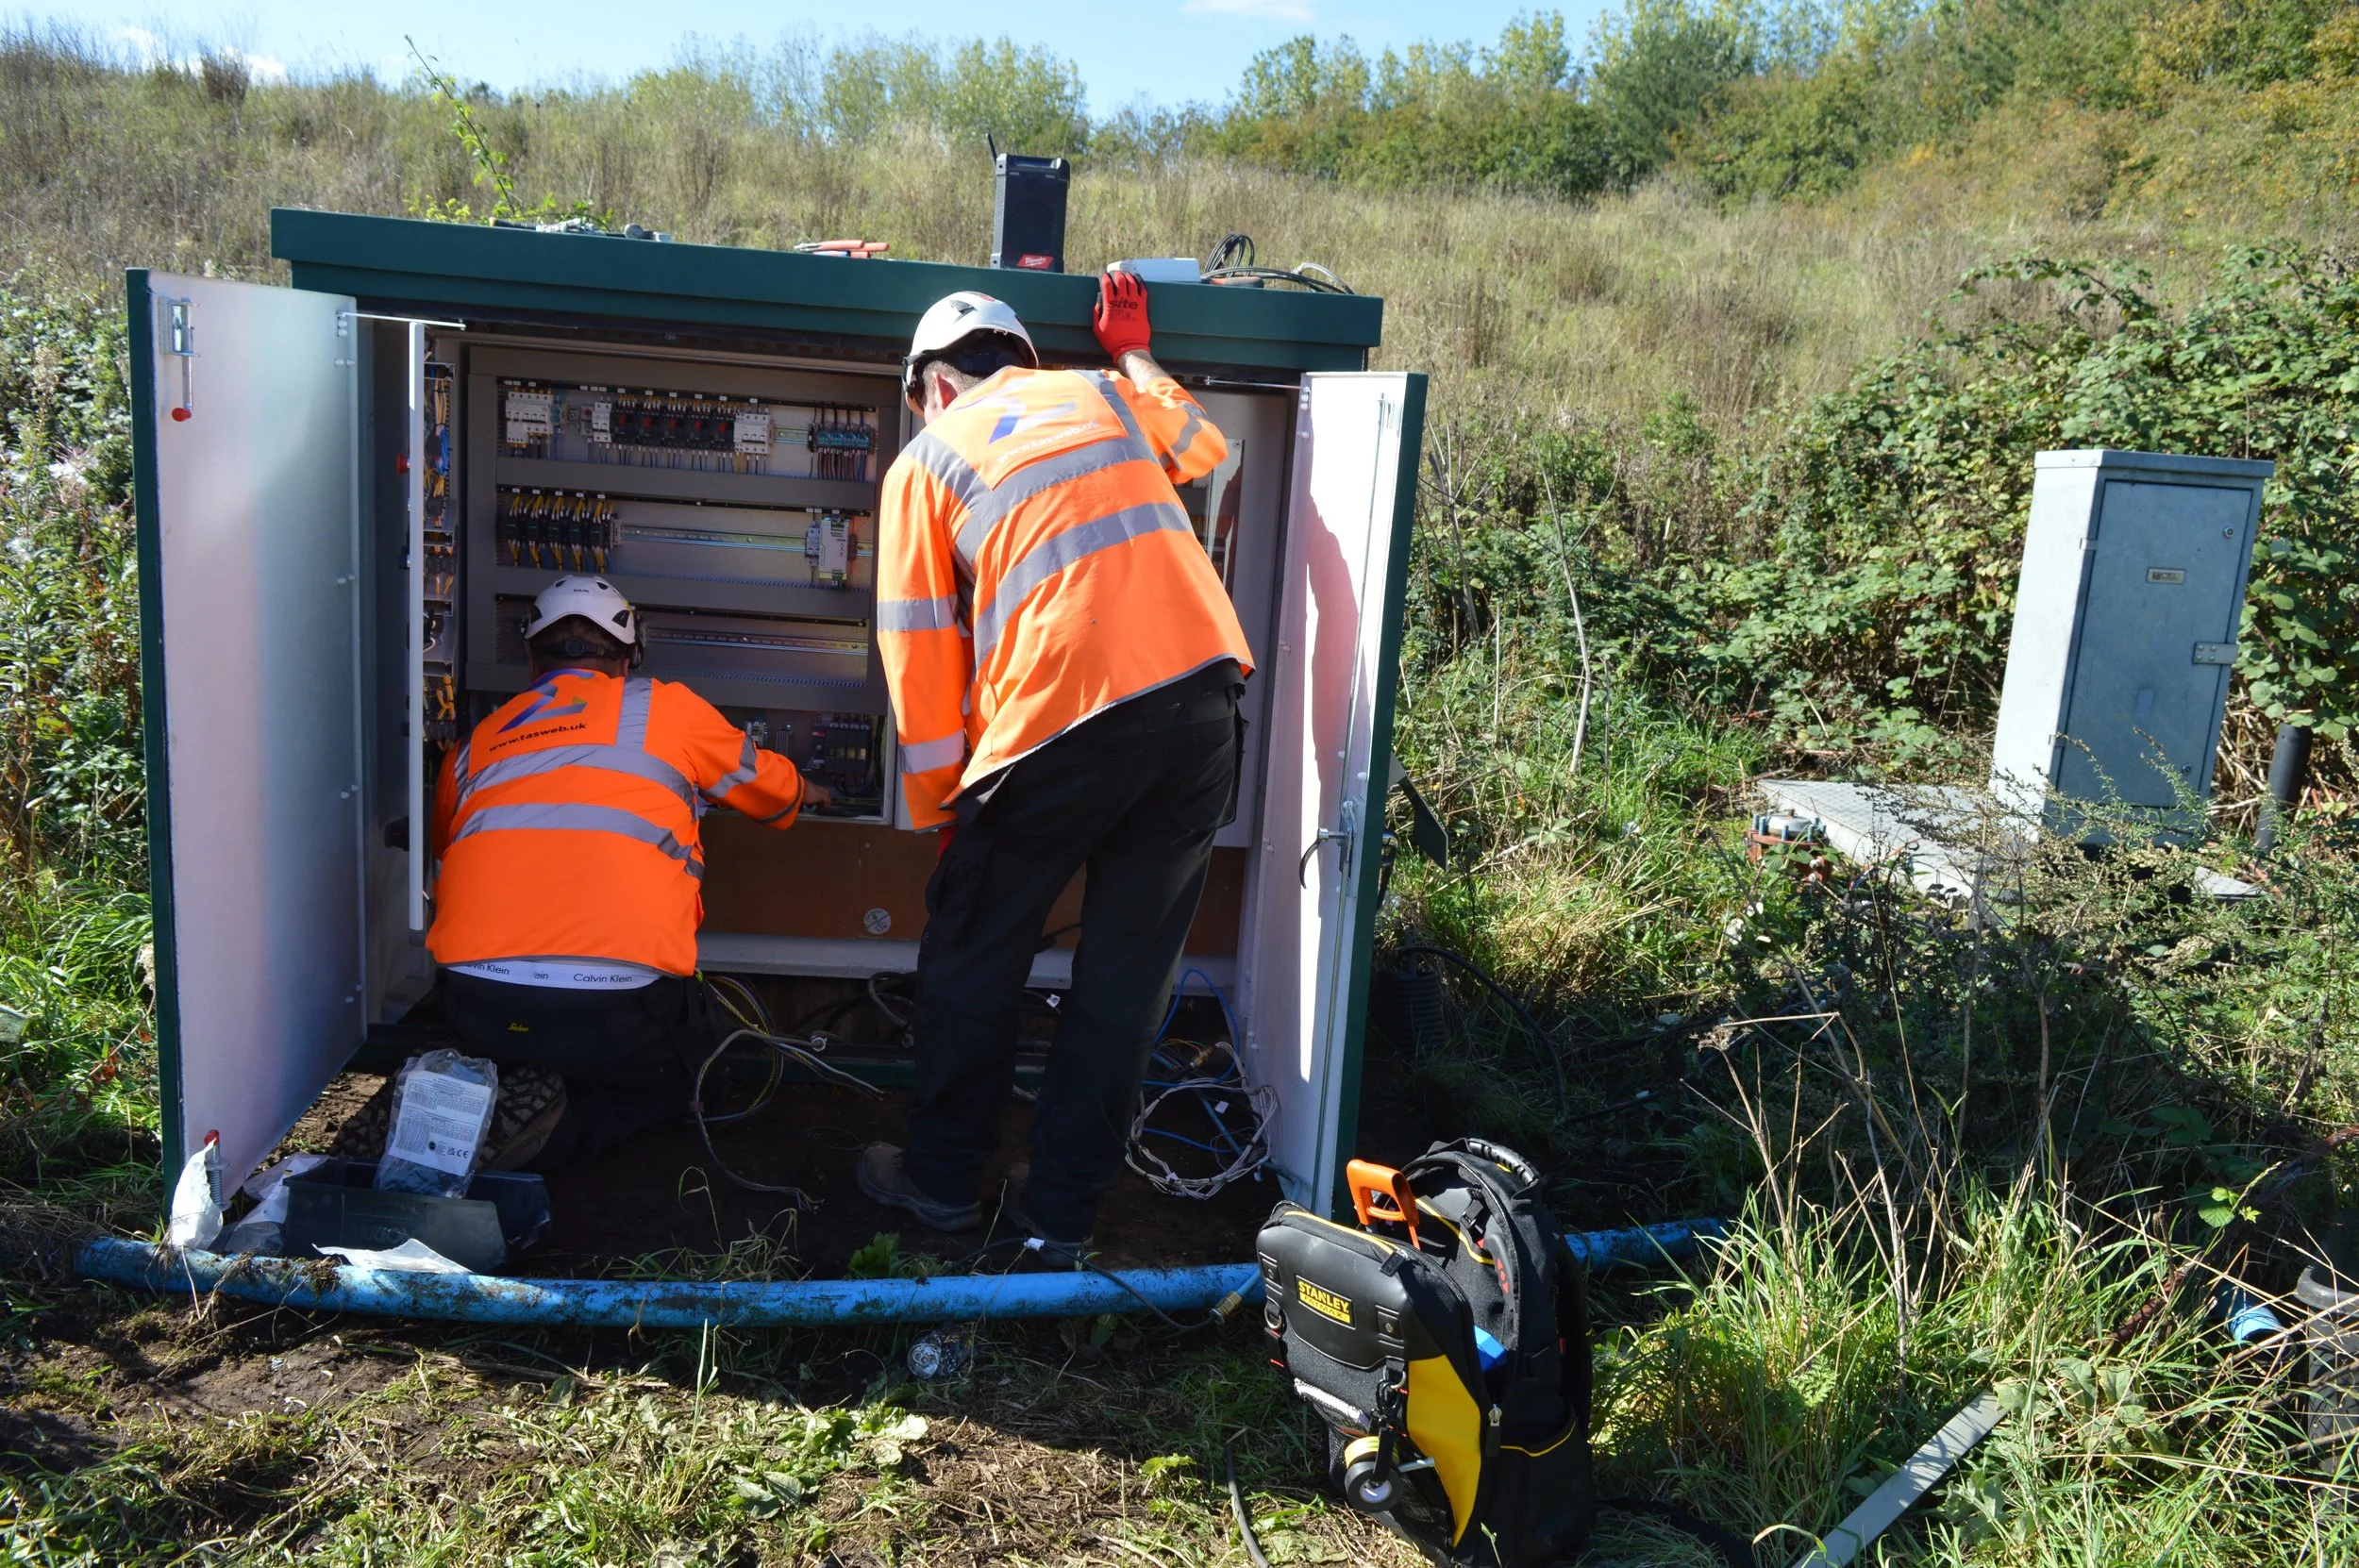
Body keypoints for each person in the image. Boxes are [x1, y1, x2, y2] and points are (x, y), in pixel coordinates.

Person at [856, 273, 1253, 1256]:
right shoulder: (1104, 393)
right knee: (1125, 983)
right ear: (1026, 361)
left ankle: (942, 1185)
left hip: (1054, 725)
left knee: (971, 963)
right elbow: (1206, 450)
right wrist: (1129, 347)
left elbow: (917, 645)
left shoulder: (926, 459)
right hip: (1201, 709)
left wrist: (942, 808)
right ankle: (1062, 1214)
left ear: (933, 387)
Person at [427, 575, 828, 1167]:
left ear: (531, 656)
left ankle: (491, 1103)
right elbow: (770, 793)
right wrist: (812, 792)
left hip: (478, 1005)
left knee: (542, 1047)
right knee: (700, 1072)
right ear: (630, 656)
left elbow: (445, 859)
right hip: (617, 1011)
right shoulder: (666, 707)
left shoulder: (472, 746)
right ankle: (569, 1125)